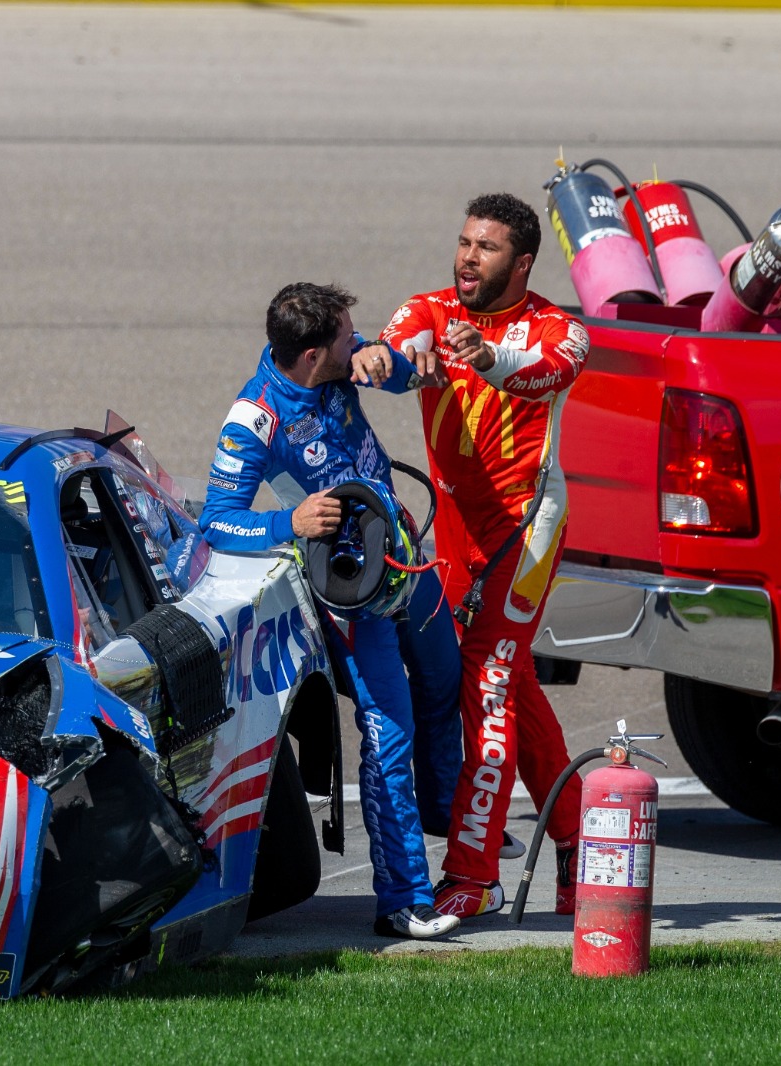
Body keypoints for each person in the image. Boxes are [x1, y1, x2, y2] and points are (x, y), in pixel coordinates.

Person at [199, 282, 463, 939]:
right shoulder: (253, 419)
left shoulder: (349, 364)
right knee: (388, 729)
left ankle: (443, 815)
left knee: (444, 679)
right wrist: (286, 523)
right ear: (313, 355)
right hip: (353, 592)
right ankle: (403, 899)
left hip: (402, 551)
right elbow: (215, 523)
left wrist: (385, 358)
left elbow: (410, 378)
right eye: (350, 337)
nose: (359, 341)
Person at [380, 193, 590, 918]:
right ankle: (578, 834)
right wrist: (392, 360)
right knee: (512, 679)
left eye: (487, 248)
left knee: (489, 680)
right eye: (465, 242)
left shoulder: (560, 330)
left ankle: (473, 872)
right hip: (453, 532)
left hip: (527, 529)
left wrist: (488, 355)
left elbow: (542, 373)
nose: (469, 257)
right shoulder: (426, 309)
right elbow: (395, 353)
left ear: (522, 263)